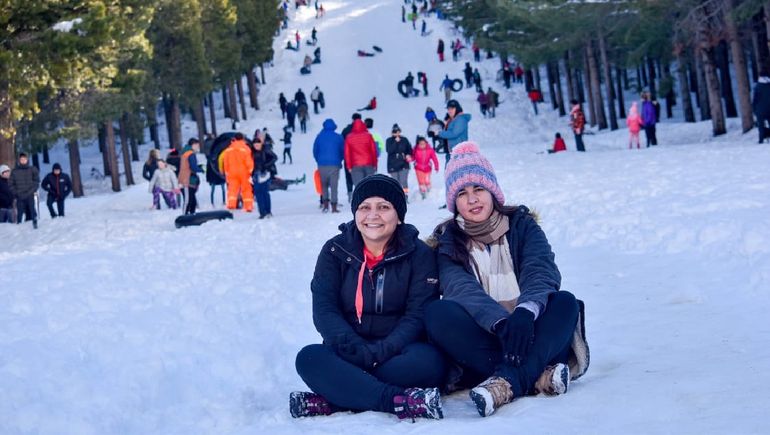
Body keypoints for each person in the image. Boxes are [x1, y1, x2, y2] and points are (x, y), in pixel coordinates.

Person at [424, 141, 590, 417]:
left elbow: (541, 270)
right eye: (462, 193)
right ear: (454, 202)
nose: (473, 199)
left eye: (479, 189)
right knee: (438, 313)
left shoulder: (523, 225)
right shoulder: (448, 241)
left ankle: (506, 382)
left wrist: (525, 313)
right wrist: (500, 323)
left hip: (532, 331)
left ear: (492, 191)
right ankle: (535, 376)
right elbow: (459, 288)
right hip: (486, 338)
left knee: (564, 302)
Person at [291, 174, 446, 420]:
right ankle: (393, 400)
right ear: (355, 213)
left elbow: (417, 315)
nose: (372, 215)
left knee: (430, 364)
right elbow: (325, 310)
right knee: (309, 358)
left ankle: (338, 398)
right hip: (347, 351)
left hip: (398, 353)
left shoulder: (420, 254)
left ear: (398, 216)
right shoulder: (334, 251)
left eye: (384, 207)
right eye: (364, 207)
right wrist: (357, 350)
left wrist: (380, 352)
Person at [313, 119, 345, 213]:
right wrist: (340, 160)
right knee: (334, 185)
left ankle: (325, 205)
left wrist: (318, 160)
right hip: (335, 165)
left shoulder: (319, 137)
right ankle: (334, 207)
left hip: (322, 164)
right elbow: (342, 150)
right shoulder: (338, 137)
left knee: (324, 185)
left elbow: (315, 151)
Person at [221, 133, 254, 212]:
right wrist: (250, 171)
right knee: (246, 189)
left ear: (234, 139)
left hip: (232, 172)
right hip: (244, 172)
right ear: (242, 138)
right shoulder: (246, 148)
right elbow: (249, 161)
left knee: (232, 189)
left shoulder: (228, 149)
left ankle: (231, 204)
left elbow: (225, 162)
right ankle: (248, 206)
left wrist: (227, 172)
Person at [344, 118, 378, 185]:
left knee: (359, 186)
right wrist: (375, 164)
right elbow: (373, 151)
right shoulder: (368, 136)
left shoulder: (349, 137)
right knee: (369, 185)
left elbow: (347, 154)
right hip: (369, 163)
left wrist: (349, 166)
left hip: (356, 165)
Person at [9, 153, 39, 228]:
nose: (23, 161)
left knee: (32, 211)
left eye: (24, 159)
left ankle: (35, 225)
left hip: (30, 194)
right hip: (19, 195)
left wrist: (32, 190)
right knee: (20, 213)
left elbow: (36, 181)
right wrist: (16, 193)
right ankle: (19, 227)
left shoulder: (32, 169)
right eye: (21, 159)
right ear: (19, 160)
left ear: (27, 160)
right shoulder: (14, 171)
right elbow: (10, 184)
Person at [437, 99, 471, 166]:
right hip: (451, 152)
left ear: (457, 109)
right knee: (449, 175)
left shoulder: (461, 119)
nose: (450, 111)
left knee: (456, 175)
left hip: (459, 154)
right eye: (448, 109)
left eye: (452, 108)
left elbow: (454, 133)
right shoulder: (451, 120)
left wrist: (440, 133)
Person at [252, 137, 277, 219]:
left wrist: (266, 165)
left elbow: (274, 157)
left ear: (260, 144)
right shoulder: (252, 151)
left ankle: (268, 211)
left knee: (264, 192)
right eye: (255, 145)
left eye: (258, 144)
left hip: (265, 173)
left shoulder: (265, 149)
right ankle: (263, 212)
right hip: (256, 174)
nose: (256, 146)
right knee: (258, 194)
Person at [385, 124, 413, 195]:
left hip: (404, 164)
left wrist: (408, 155)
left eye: (398, 131)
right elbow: (389, 150)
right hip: (393, 165)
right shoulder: (389, 140)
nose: (397, 133)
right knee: (396, 182)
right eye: (395, 132)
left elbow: (409, 149)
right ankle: (398, 196)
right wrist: (395, 142)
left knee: (404, 181)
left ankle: (405, 195)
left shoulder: (404, 139)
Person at [178, 138, 204, 214]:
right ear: (193, 145)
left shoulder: (185, 153)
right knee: (188, 201)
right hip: (187, 180)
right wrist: (202, 169)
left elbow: (189, 166)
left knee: (192, 201)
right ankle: (184, 216)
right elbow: (193, 167)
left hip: (186, 179)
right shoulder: (190, 154)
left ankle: (191, 217)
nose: (198, 147)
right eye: (197, 145)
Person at [752, 68, 770, 143]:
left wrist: (754, 109)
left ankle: (761, 139)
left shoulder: (758, 86)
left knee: (761, 125)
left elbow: (755, 99)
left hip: (760, 109)